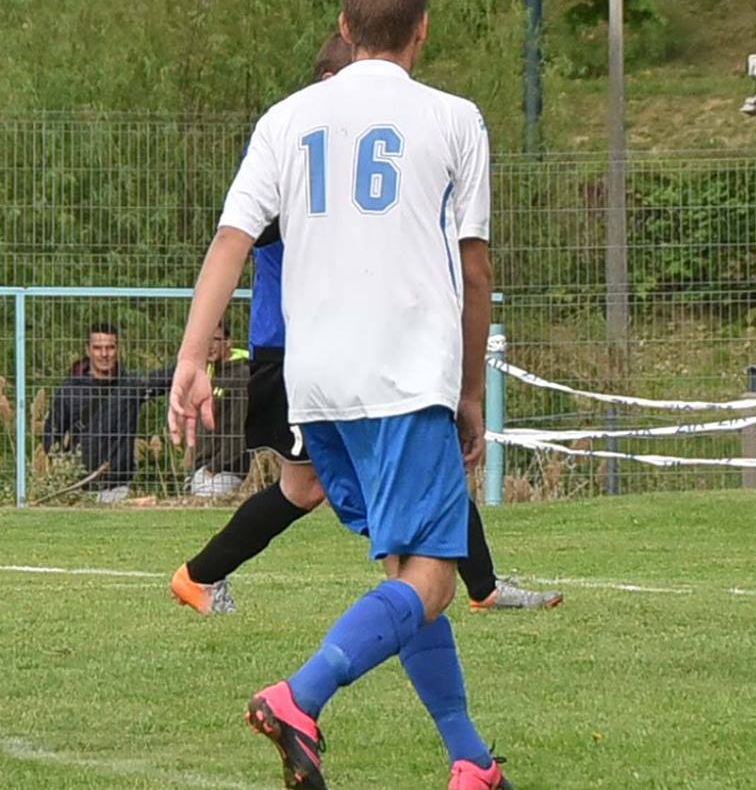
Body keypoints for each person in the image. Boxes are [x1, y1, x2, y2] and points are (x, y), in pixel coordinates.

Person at [170, 0, 509, 790]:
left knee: (407, 569)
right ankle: (300, 697)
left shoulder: (287, 119)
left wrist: (191, 358)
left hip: (315, 384)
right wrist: (470, 391)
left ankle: (469, 757)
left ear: (346, 28)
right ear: (423, 30)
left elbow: (230, 241)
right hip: (405, 376)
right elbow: (474, 269)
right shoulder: (455, 119)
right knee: (433, 578)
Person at [170, 33, 559, 617]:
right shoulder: (300, 147)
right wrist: (194, 353)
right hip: (295, 349)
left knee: (385, 478)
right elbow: (240, 235)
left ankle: (475, 586)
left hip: (338, 348)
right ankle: (204, 577)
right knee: (333, 487)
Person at [41, 323, 173, 501]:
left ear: (118, 349)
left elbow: (166, 378)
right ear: (88, 350)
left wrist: (196, 357)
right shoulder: (70, 390)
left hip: (117, 486)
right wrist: (63, 471)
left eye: (110, 347)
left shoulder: (131, 385)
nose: (104, 354)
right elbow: (51, 434)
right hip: (79, 486)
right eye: (98, 348)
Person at [187, 320, 249, 500]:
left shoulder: (241, 375)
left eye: (215, 339)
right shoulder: (206, 372)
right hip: (204, 466)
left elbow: (238, 431)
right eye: (205, 340)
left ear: (228, 342)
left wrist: (213, 468)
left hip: (230, 468)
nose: (209, 346)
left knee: (204, 497)